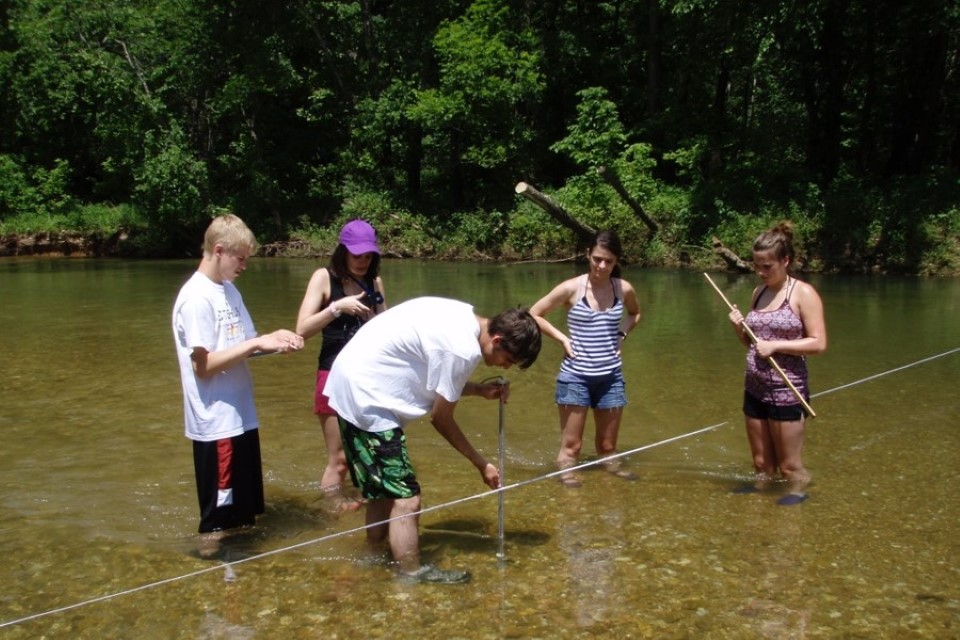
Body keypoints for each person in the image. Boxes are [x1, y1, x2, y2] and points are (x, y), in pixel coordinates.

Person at [324, 297, 541, 584]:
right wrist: (481, 464)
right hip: (368, 397)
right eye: (509, 360)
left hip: (350, 381)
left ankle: (373, 558)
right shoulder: (462, 350)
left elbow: (433, 371)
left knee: (383, 490)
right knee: (407, 497)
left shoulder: (465, 315)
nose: (507, 367)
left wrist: (477, 390)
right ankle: (411, 574)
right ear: (498, 340)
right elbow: (441, 419)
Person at [172, 214, 305, 557]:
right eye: (241, 258)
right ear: (218, 251)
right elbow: (204, 367)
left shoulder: (228, 289)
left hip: (241, 417)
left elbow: (241, 346)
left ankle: (243, 581)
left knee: (244, 516)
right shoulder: (197, 298)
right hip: (216, 424)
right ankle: (215, 584)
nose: (245, 265)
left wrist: (273, 343)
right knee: (216, 523)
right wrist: (257, 344)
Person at [530, 229, 642, 488]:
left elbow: (635, 313)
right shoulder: (571, 288)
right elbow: (534, 313)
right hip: (575, 376)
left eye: (609, 261)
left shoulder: (622, 288)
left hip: (611, 377)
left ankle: (610, 469)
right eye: (597, 259)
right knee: (572, 446)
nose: (602, 266)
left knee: (608, 446)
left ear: (616, 262)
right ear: (588, 255)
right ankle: (567, 476)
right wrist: (563, 339)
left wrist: (622, 334)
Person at [726, 221, 827, 506]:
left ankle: (796, 491)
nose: (760, 272)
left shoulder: (803, 294)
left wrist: (777, 345)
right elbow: (753, 344)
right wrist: (739, 327)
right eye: (757, 265)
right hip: (755, 386)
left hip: (787, 389)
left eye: (767, 266)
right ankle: (761, 490)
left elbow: (819, 343)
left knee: (789, 466)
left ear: (786, 261)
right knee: (761, 463)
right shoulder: (758, 292)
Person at [295, 220, 387, 513]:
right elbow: (301, 330)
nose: (363, 261)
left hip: (367, 379)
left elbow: (387, 331)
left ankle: (359, 506)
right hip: (332, 375)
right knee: (340, 458)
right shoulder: (324, 278)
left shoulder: (375, 283)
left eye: (368, 256)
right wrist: (337, 308)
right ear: (343, 251)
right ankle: (332, 509)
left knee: (368, 451)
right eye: (357, 255)